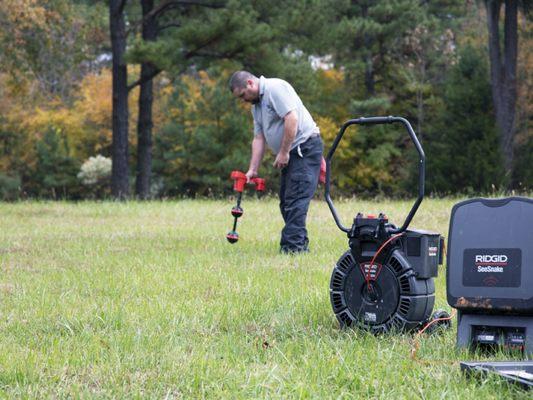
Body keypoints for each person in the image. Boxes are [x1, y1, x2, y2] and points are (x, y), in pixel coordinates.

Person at [229, 71, 323, 254]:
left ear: (250, 83)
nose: (244, 100)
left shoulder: (275, 88)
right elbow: (258, 138)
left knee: (295, 199)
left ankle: (292, 249)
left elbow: (292, 118)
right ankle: (300, 246)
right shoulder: (256, 106)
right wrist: (252, 169)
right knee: (286, 201)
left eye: (243, 95)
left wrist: (284, 152)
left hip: (304, 148)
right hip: (292, 152)